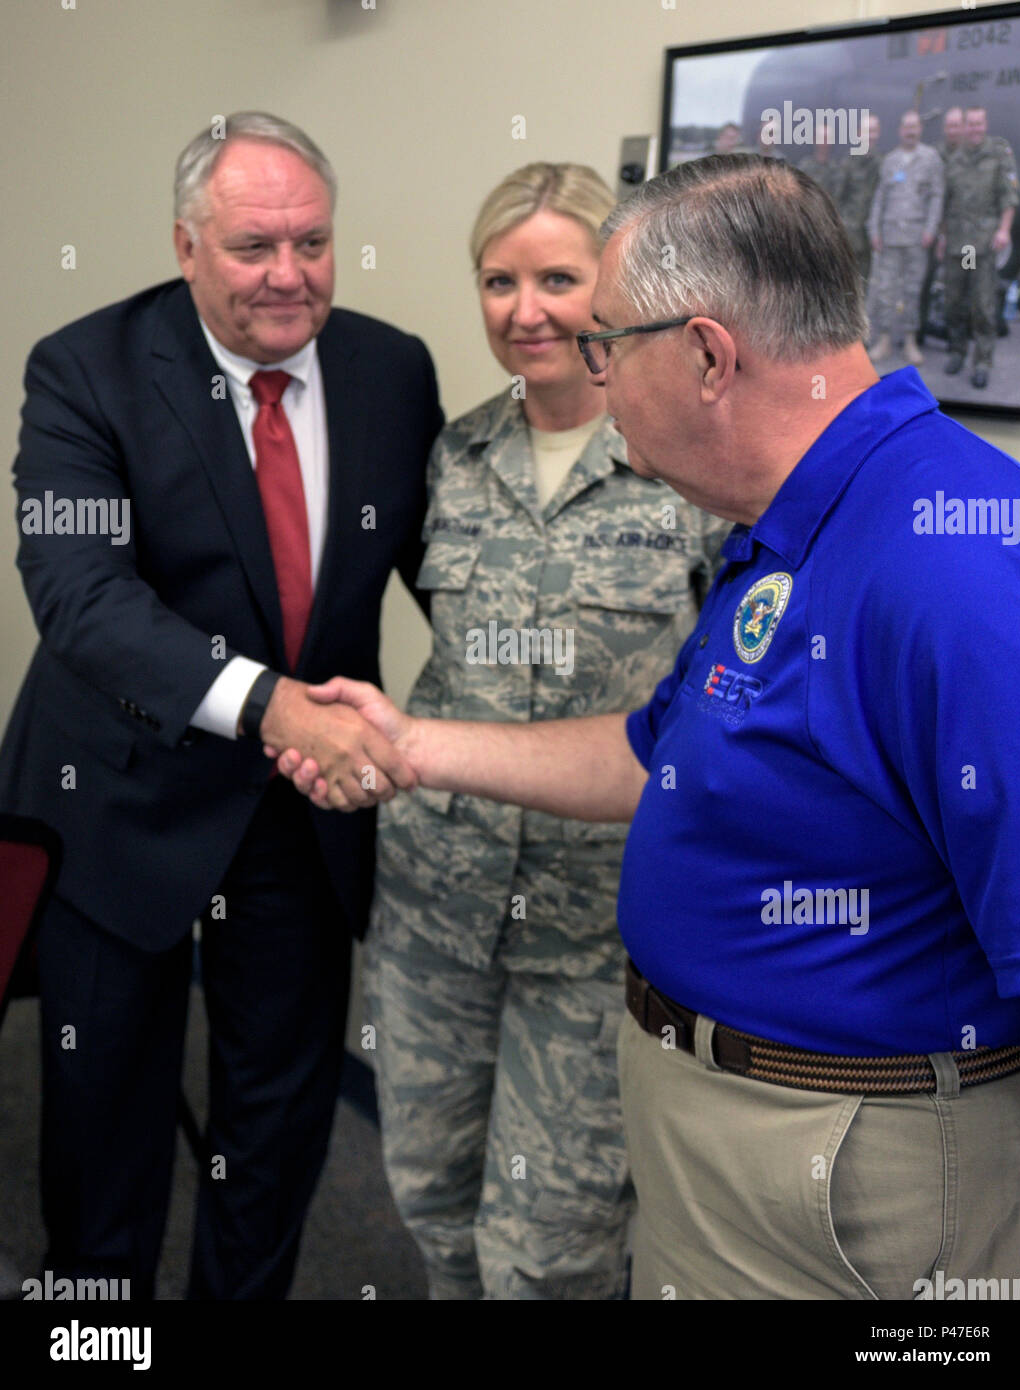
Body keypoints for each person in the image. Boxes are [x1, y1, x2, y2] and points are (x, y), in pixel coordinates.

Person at [275, 154, 1020, 1301]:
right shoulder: (787, 520)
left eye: (603, 342)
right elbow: (656, 749)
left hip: (846, 1175)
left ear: (703, 354)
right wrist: (415, 744)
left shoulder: (946, 565)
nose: (589, 371)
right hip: (721, 1138)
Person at [0, 112, 442, 1300]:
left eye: (312, 242)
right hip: (119, 801)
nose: (287, 276)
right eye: (253, 247)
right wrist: (272, 707)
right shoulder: (84, 366)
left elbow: (447, 566)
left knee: (278, 1121)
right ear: (187, 244)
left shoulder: (390, 369)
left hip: (300, 818)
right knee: (104, 1128)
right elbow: (82, 599)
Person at [356, 162, 727, 1300]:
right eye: (497, 280)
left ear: (611, 290)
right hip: (435, 911)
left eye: (558, 278)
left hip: (597, 934)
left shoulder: (687, 472)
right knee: (426, 1196)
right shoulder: (446, 459)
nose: (526, 311)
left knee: (546, 1256)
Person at [939, 106, 1019, 389]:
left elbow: (1009, 196)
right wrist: (942, 236)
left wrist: (1004, 230)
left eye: (978, 123)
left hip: (981, 246)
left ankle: (982, 361)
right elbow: (946, 203)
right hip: (957, 245)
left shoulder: (997, 154)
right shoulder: (955, 159)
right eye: (969, 124)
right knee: (953, 303)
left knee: (982, 305)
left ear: (984, 124)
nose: (974, 128)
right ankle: (958, 351)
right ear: (965, 127)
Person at [866, 110, 943, 367]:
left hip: (916, 237)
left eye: (914, 127)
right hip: (889, 237)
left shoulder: (930, 158)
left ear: (920, 129)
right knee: (886, 290)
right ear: (900, 130)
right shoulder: (890, 160)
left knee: (912, 290)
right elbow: (879, 198)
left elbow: (936, 196)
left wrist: (931, 228)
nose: (910, 131)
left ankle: (910, 341)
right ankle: (884, 339)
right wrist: (874, 230)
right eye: (906, 127)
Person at [917, 107, 963, 347]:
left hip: (966, 239)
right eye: (950, 126)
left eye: (957, 125)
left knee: (961, 283)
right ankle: (920, 332)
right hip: (936, 232)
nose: (953, 130)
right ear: (945, 128)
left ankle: (957, 341)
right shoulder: (934, 156)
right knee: (924, 282)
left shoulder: (971, 155)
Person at [834, 114, 881, 287]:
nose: (870, 135)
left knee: (865, 286)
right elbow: (837, 200)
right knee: (844, 285)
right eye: (867, 131)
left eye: (874, 131)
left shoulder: (881, 164)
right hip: (849, 236)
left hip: (870, 237)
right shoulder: (848, 163)